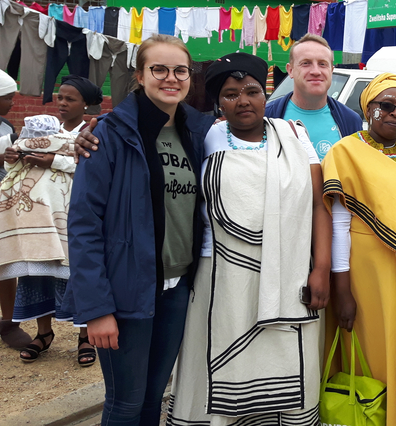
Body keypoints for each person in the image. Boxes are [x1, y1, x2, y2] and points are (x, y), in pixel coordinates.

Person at [168, 52, 331, 425]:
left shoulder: (294, 136)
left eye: (251, 91)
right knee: (221, 360)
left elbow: (320, 205)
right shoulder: (204, 137)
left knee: (288, 359)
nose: (242, 100)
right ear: (218, 102)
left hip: (290, 275)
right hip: (221, 276)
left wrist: (321, 267)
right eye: (230, 94)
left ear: (266, 95)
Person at [64, 35, 215, 425]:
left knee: (153, 400)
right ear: (140, 75)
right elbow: (84, 224)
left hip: (177, 288)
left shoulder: (195, 134)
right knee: (126, 403)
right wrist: (96, 309)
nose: (171, 78)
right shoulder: (108, 135)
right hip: (127, 288)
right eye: (159, 69)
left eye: (180, 70)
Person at [321, 73, 396, 426]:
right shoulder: (346, 152)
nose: (394, 114)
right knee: (375, 348)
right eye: (385, 105)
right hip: (368, 276)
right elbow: (340, 226)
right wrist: (342, 290)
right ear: (367, 107)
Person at [0, 75, 101, 366]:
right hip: (39, 218)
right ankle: (44, 334)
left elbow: (94, 166)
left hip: (74, 216)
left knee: (76, 274)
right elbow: (18, 157)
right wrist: (11, 157)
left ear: (85, 104)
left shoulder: (95, 131)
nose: (62, 103)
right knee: (38, 272)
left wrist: (53, 160)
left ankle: (85, 337)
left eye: (70, 99)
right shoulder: (43, 128)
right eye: (59, 97)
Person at [264, 33, 362, 160]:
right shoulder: (266, 116)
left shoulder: (350, 121)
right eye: (306, 63)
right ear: (290, 70)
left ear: (331, 70)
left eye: (322, 64)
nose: (315, 71)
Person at [0, 67, 31, 350]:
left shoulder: (7, 127)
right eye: (8, 98)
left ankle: (8, 322)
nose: (12, 103)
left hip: (3, 203)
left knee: (5, 261)